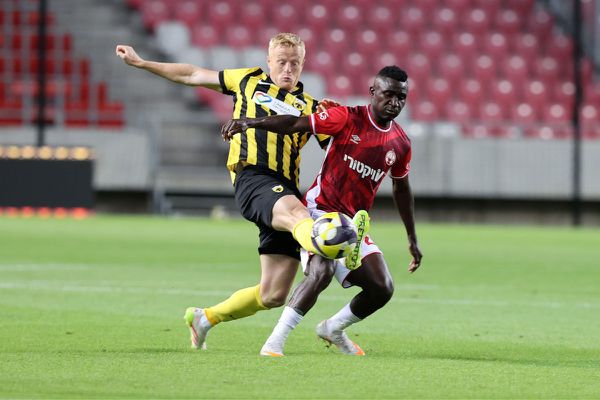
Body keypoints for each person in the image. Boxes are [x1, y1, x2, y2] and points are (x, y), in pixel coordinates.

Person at [115, 33, 369, 350]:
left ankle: (204, 318)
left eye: (295, 63)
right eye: (281, 62)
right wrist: (141, 63)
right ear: (269, 61)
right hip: (254, 177)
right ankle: (332, 242)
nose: (288, 69)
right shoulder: (248, 80)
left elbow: (347, 143)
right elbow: (192, 74)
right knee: (299, 215)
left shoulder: (311, 108)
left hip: (285, 188)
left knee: (273, 293)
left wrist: (347, 121)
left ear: (303, 64)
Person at [221, 66, 423, 356]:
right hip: (319, 211)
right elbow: (295, 123)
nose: (395, 102)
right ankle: (275, 342)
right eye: (388, 94)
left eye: (401, 97)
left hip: (351, 225)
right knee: (322, 270)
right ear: (373, 92)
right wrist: (250, 122)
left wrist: (412, 238)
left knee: (382, 287)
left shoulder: (400, 143)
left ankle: (333, 328)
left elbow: (402, 189)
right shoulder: (347, 117)